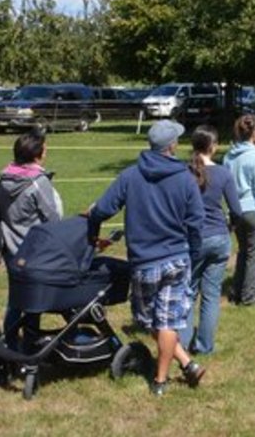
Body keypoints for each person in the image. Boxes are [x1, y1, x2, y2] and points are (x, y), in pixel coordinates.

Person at [86, 119, 206, 395]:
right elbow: (196, 223)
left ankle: (160, 380)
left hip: (144, 261)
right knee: (166, 321)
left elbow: (103, 209)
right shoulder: (185, 178)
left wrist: (91, 226)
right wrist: (194, 253)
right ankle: (187, 365)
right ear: (172, 146)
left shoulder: (131, 175)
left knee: (153, 321)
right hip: (177, 258)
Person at [0, 128, 63, 347]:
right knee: (33, 298)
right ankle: (29, 341)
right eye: (44, 149)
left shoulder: (2, 178)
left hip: (9, 247)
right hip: (33, 249)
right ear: (37, 153)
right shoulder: (37, 182)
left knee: (16, 299)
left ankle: (12, 341)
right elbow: (53, 217)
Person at [182, 125, 242, 356]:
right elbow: (236, 210)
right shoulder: (224, 173)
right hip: (218, 236)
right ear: (213, 147)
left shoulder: (183, 172)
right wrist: (230, 228)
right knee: (211, 294)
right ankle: (205, 346)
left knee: (188, 292)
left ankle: (184, 343)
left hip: (193, 238)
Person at [224, 114, 255, 306]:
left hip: (236, 210)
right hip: (253, 211)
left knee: (243, 252)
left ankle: (236, 291)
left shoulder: (229, 156)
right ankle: (249, 296)